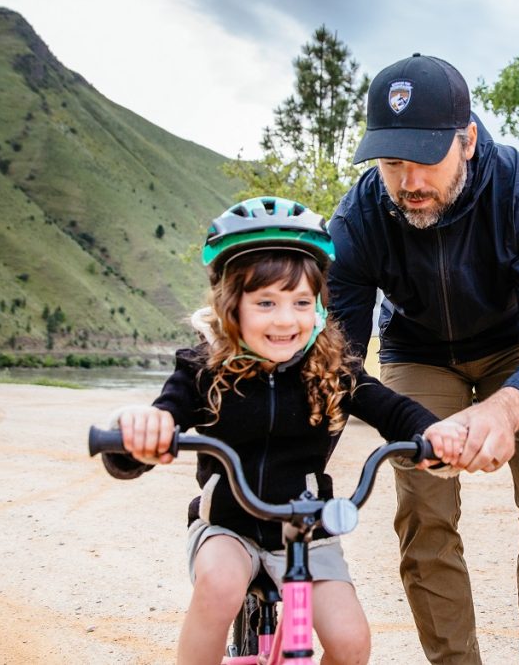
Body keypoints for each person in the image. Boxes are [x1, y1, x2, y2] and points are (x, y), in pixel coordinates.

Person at [100, 197, 466, 665]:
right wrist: (140, 433)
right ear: (231, 305)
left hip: (307, 530)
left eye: (300, 302)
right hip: (227, 528)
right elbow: (162, 418)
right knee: (220, 587)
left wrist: (433, 434)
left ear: (319, 304)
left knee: (351, 641)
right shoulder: (202, 368)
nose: (285, 319)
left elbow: (391, 409)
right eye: (266, 302)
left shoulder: (334, 365)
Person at [328, 54, 519, 664]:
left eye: (424, 159)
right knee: (424, 510)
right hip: (418, 352)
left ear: (467, 141)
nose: (409, 181)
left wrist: (504, 412)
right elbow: (335, 363)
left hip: (516, 351)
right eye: (392, 163)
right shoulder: (358, 218)